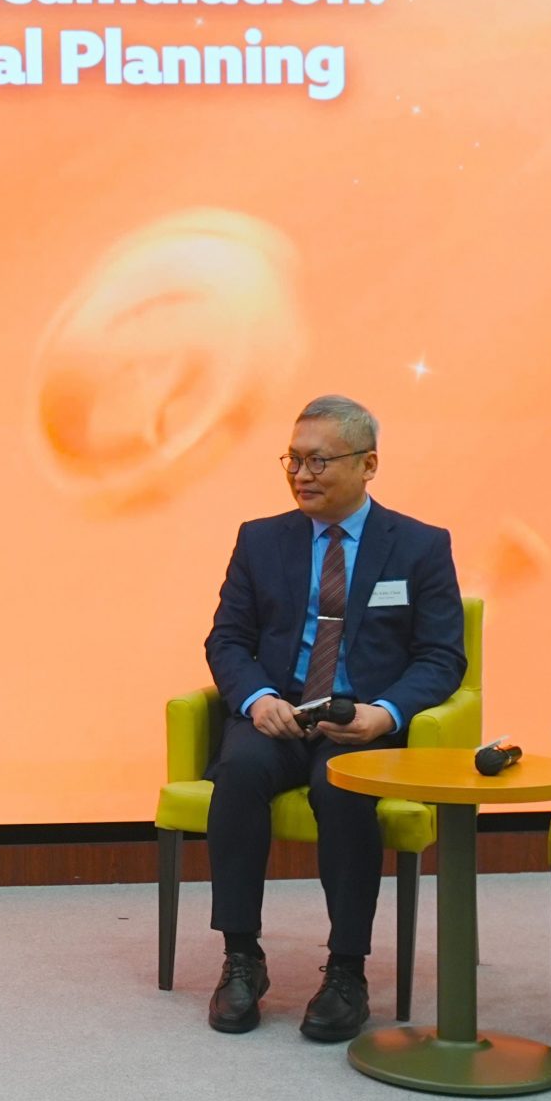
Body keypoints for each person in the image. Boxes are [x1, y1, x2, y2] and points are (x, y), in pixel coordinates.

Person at [200, 395, 467, 1039]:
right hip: (280, 712)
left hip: (358, 721)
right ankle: (241, 956)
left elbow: (442, 657)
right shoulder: (261, 539)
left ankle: (347, 969)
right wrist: (258, 700)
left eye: (319, 461)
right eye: (293, 460)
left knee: (341, 789)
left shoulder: (421, 546)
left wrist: (386, 714)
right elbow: (227, 640)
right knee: (238, 772)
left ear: (368, 464)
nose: (302, 475)